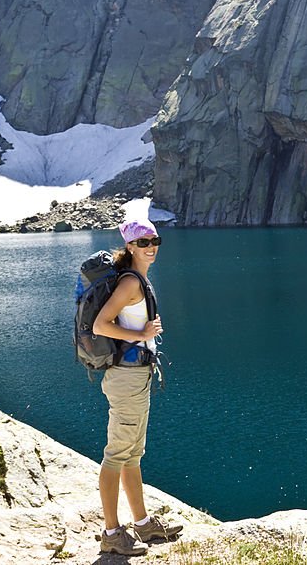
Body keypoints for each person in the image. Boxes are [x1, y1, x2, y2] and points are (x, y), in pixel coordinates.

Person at [92, 219, 183, 555]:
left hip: (137, 374)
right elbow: (102, 324)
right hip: (127, 376)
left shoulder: (138, 279)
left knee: (133, 454)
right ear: (130, 246)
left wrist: (144, 335)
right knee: (116, 455)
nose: (151, 247)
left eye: (155, 240)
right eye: (143, 242)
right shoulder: (131, 283)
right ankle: (112, 533)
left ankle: (142, 524)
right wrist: (141, 335)